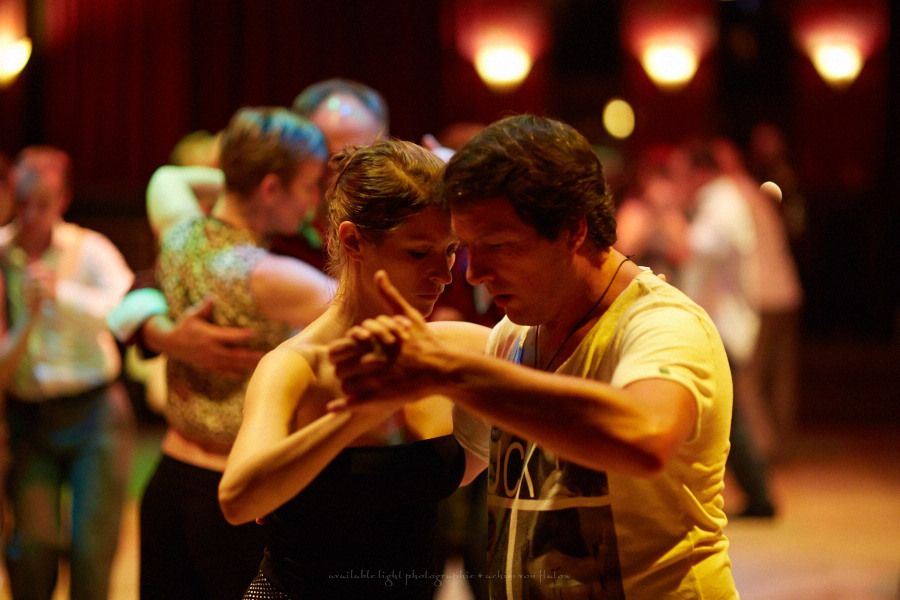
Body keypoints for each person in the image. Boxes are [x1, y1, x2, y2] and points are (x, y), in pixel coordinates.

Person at [329, 115, 740, 599]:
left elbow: (645, 438)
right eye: (467, 248)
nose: (474, 273)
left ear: (573, 229)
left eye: (497, 246)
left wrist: (453, 371)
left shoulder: (662, 324)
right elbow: (446, 472)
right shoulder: (515, 336)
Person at [218, 139, 489, 599]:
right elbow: (238, 500)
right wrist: (356, 415)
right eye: (418, 253)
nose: (444, 275)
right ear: (352, 240)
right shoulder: (296, 366)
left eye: (449, 252)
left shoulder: (459, 347)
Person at [139, 107, 335, 599]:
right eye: (308, 185)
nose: (314, 201)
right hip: (234, 497)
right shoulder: (269, 275)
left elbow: (168, 177)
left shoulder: (179, 230)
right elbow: (375, 309)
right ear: (270, 189)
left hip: (169, 477)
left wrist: (235, 178)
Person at [0, 146, 136, 600]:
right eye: (23, 202)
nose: (30, 215)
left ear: (64, 199)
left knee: (92, 550)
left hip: (95, 414)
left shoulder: (90, 248)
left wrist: (62, 294)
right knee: (31, 548)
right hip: (29, 418)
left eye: (43, 204)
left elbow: (125, 312)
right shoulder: (2, 251)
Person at [678, 138, 777, 518]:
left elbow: (688, 247)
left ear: (699, 172)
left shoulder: (721, 202)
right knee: (725, 414)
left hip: (721, 324)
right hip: (721, 322)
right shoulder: (721, 200)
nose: (680, 182)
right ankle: (757, 495)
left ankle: (760, 496)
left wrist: (663, 210)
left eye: (683, 173)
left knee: (727, 417)